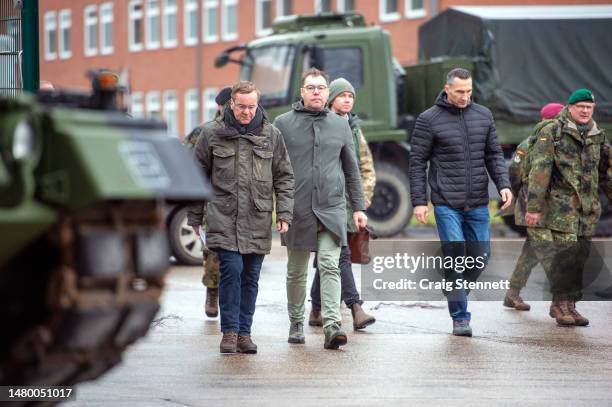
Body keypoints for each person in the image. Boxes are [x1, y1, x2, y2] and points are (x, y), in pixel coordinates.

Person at [188, 81, 294, 353]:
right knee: (231, 272)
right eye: (241, 107)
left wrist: (284, 212)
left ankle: (245, 333)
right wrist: (195, 215)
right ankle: (230, 332)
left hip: (257, 218)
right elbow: (197, 176)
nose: (246, 112)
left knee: (250, 277)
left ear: (257, 106)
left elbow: (284, 177)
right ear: (230, 105)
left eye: (251, 107)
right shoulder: (212, 134)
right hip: (222, 215)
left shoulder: (272, 135)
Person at [409, 68, 512, 337]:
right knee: (455, 256)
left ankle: (455, 288)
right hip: (446, 202)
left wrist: (503, 184)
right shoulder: (428, 119)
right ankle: (460, 317)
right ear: (447, 89)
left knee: (481, 257)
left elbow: (494, 155)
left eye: (468, 92)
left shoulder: (483, 115)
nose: (465, 96)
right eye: (459, 92)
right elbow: (417, 163)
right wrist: (419, 202)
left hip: (478, 200)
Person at [274, 68, 367, 350]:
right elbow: (273, 169)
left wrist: (358, 207)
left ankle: (332, 326)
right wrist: (279, 209)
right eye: (311, 87)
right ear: (302, 92)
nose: (316, 92)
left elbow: (352, 170)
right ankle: (296, 323)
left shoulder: (340, 126)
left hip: (332, 207)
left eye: (321, 87)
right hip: (296, 209)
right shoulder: (282, 124)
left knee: (329, 264)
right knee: (297, 271)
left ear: (328, 93)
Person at [515, 88, 612, 326]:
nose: (585, 111)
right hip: (560, 209)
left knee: (580, 258)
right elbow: (540, 171)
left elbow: (607, 173)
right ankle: (559, 305)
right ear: (570, 108)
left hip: (587, 210)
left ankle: (571, 305)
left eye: (589, 107)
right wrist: (534, 208)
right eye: (580, 107)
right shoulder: (553, 131)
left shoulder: (597, 134)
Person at [307, 77, 377, 331]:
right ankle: (355, 306)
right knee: (340, 254)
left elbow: (364, 166)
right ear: (331, 99)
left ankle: (316, 308)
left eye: (351, 96)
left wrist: (363, 198)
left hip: (350, 203)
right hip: (328, 201)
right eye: (342, 95)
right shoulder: (321, 124)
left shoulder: (355, 128)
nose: (347, 100)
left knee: (331, 256)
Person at [503, 102, 564, 311]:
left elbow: (514, 171)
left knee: (531, 251)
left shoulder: (526, 142)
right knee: (548, 252)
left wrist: (519, 193)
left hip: (536, 205)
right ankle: (561, 302)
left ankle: (512, 294)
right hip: (537, 208)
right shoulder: (554, 143)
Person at [184, 86, 232, 318]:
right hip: (210, 201)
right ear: (220, 106)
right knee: (212, 251)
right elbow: (189, 164)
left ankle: (230, 300)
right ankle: (212, 293)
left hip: (237, 202)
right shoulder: (204, 131)